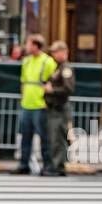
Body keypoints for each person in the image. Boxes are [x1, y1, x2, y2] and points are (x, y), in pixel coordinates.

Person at [16, 34, 57, 174]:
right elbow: (23, 82)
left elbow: (54, 82)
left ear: (35, 45)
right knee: (25, 138)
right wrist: (22, 99)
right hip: (26, 105)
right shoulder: (26, 61)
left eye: (28, 43)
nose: (26, 46)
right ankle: (23, 164)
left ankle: (47, 166)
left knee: (44, 138)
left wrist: (48, 101)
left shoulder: (48, 61)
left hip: (40, 105)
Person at [42, 41, 75, 177]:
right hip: (53, 108)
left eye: (55, 52)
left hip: (60, 108)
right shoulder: (58, 68)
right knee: (53, 137)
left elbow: (68, 88)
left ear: (63, 52)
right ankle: (55, 165)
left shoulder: (66, 68)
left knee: (58, 138)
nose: (53, 55)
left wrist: (52, 90)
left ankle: (58, 166)